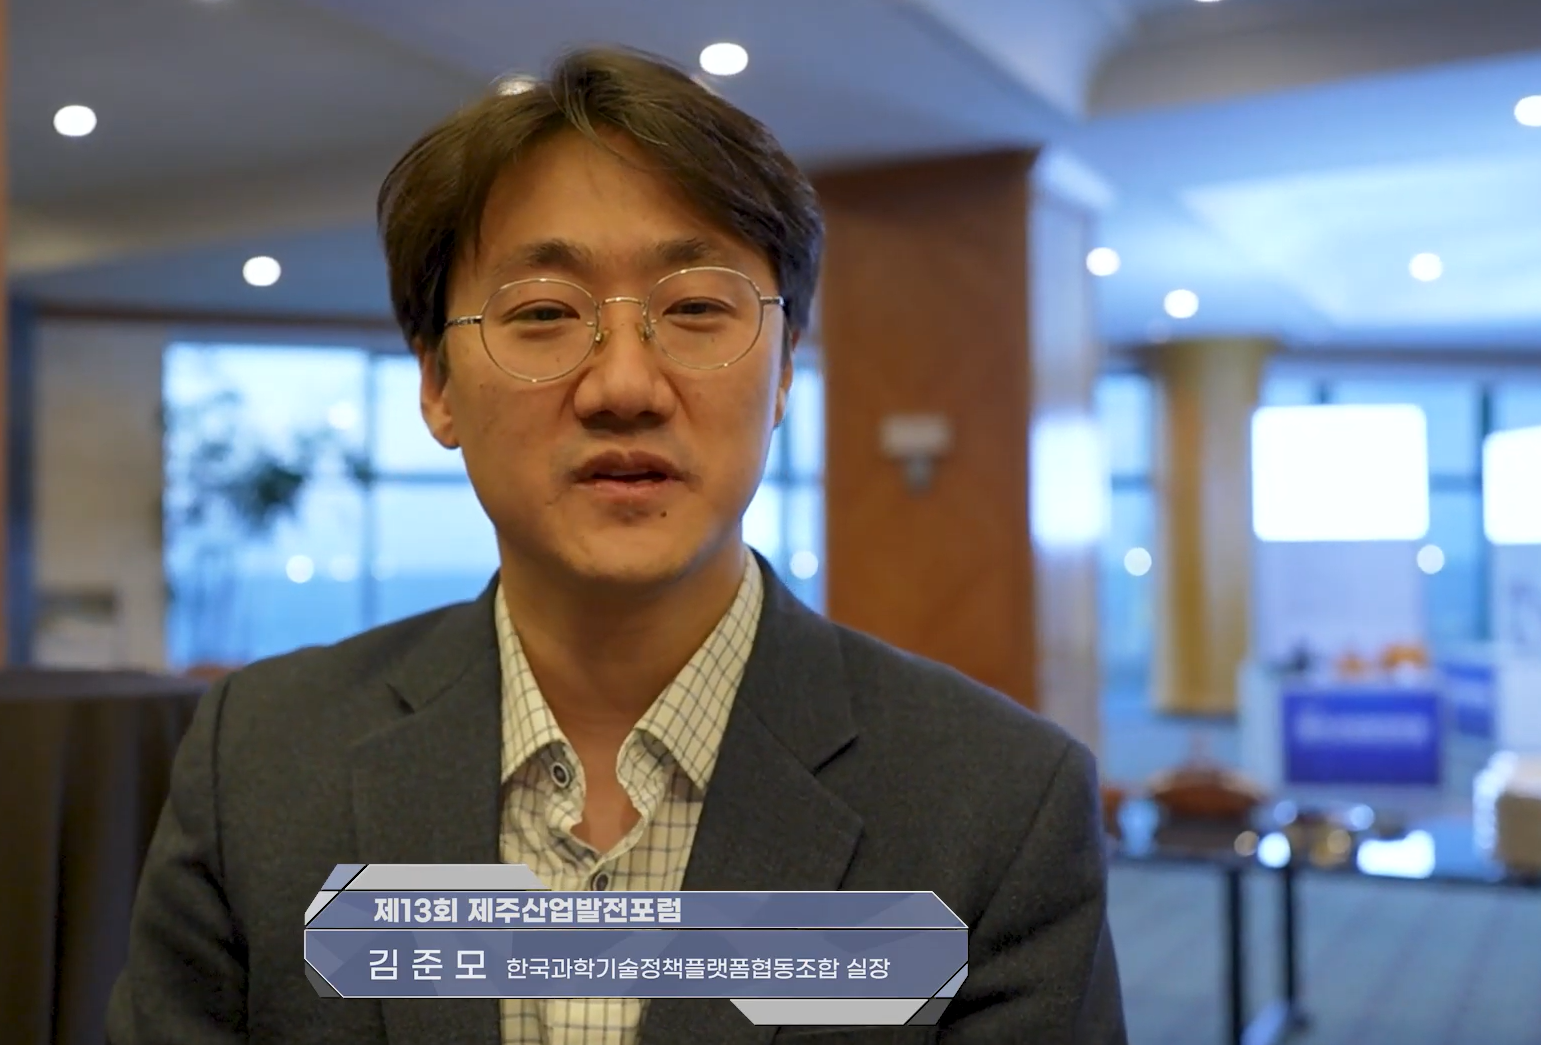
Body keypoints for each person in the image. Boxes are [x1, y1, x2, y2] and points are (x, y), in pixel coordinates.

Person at [107, 46, 1126, 1045]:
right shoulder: (261, 764)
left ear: (781, 371)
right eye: (545, 313)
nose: (624, 386)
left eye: (695, 309)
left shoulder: (992, 801)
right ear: (436, 385)